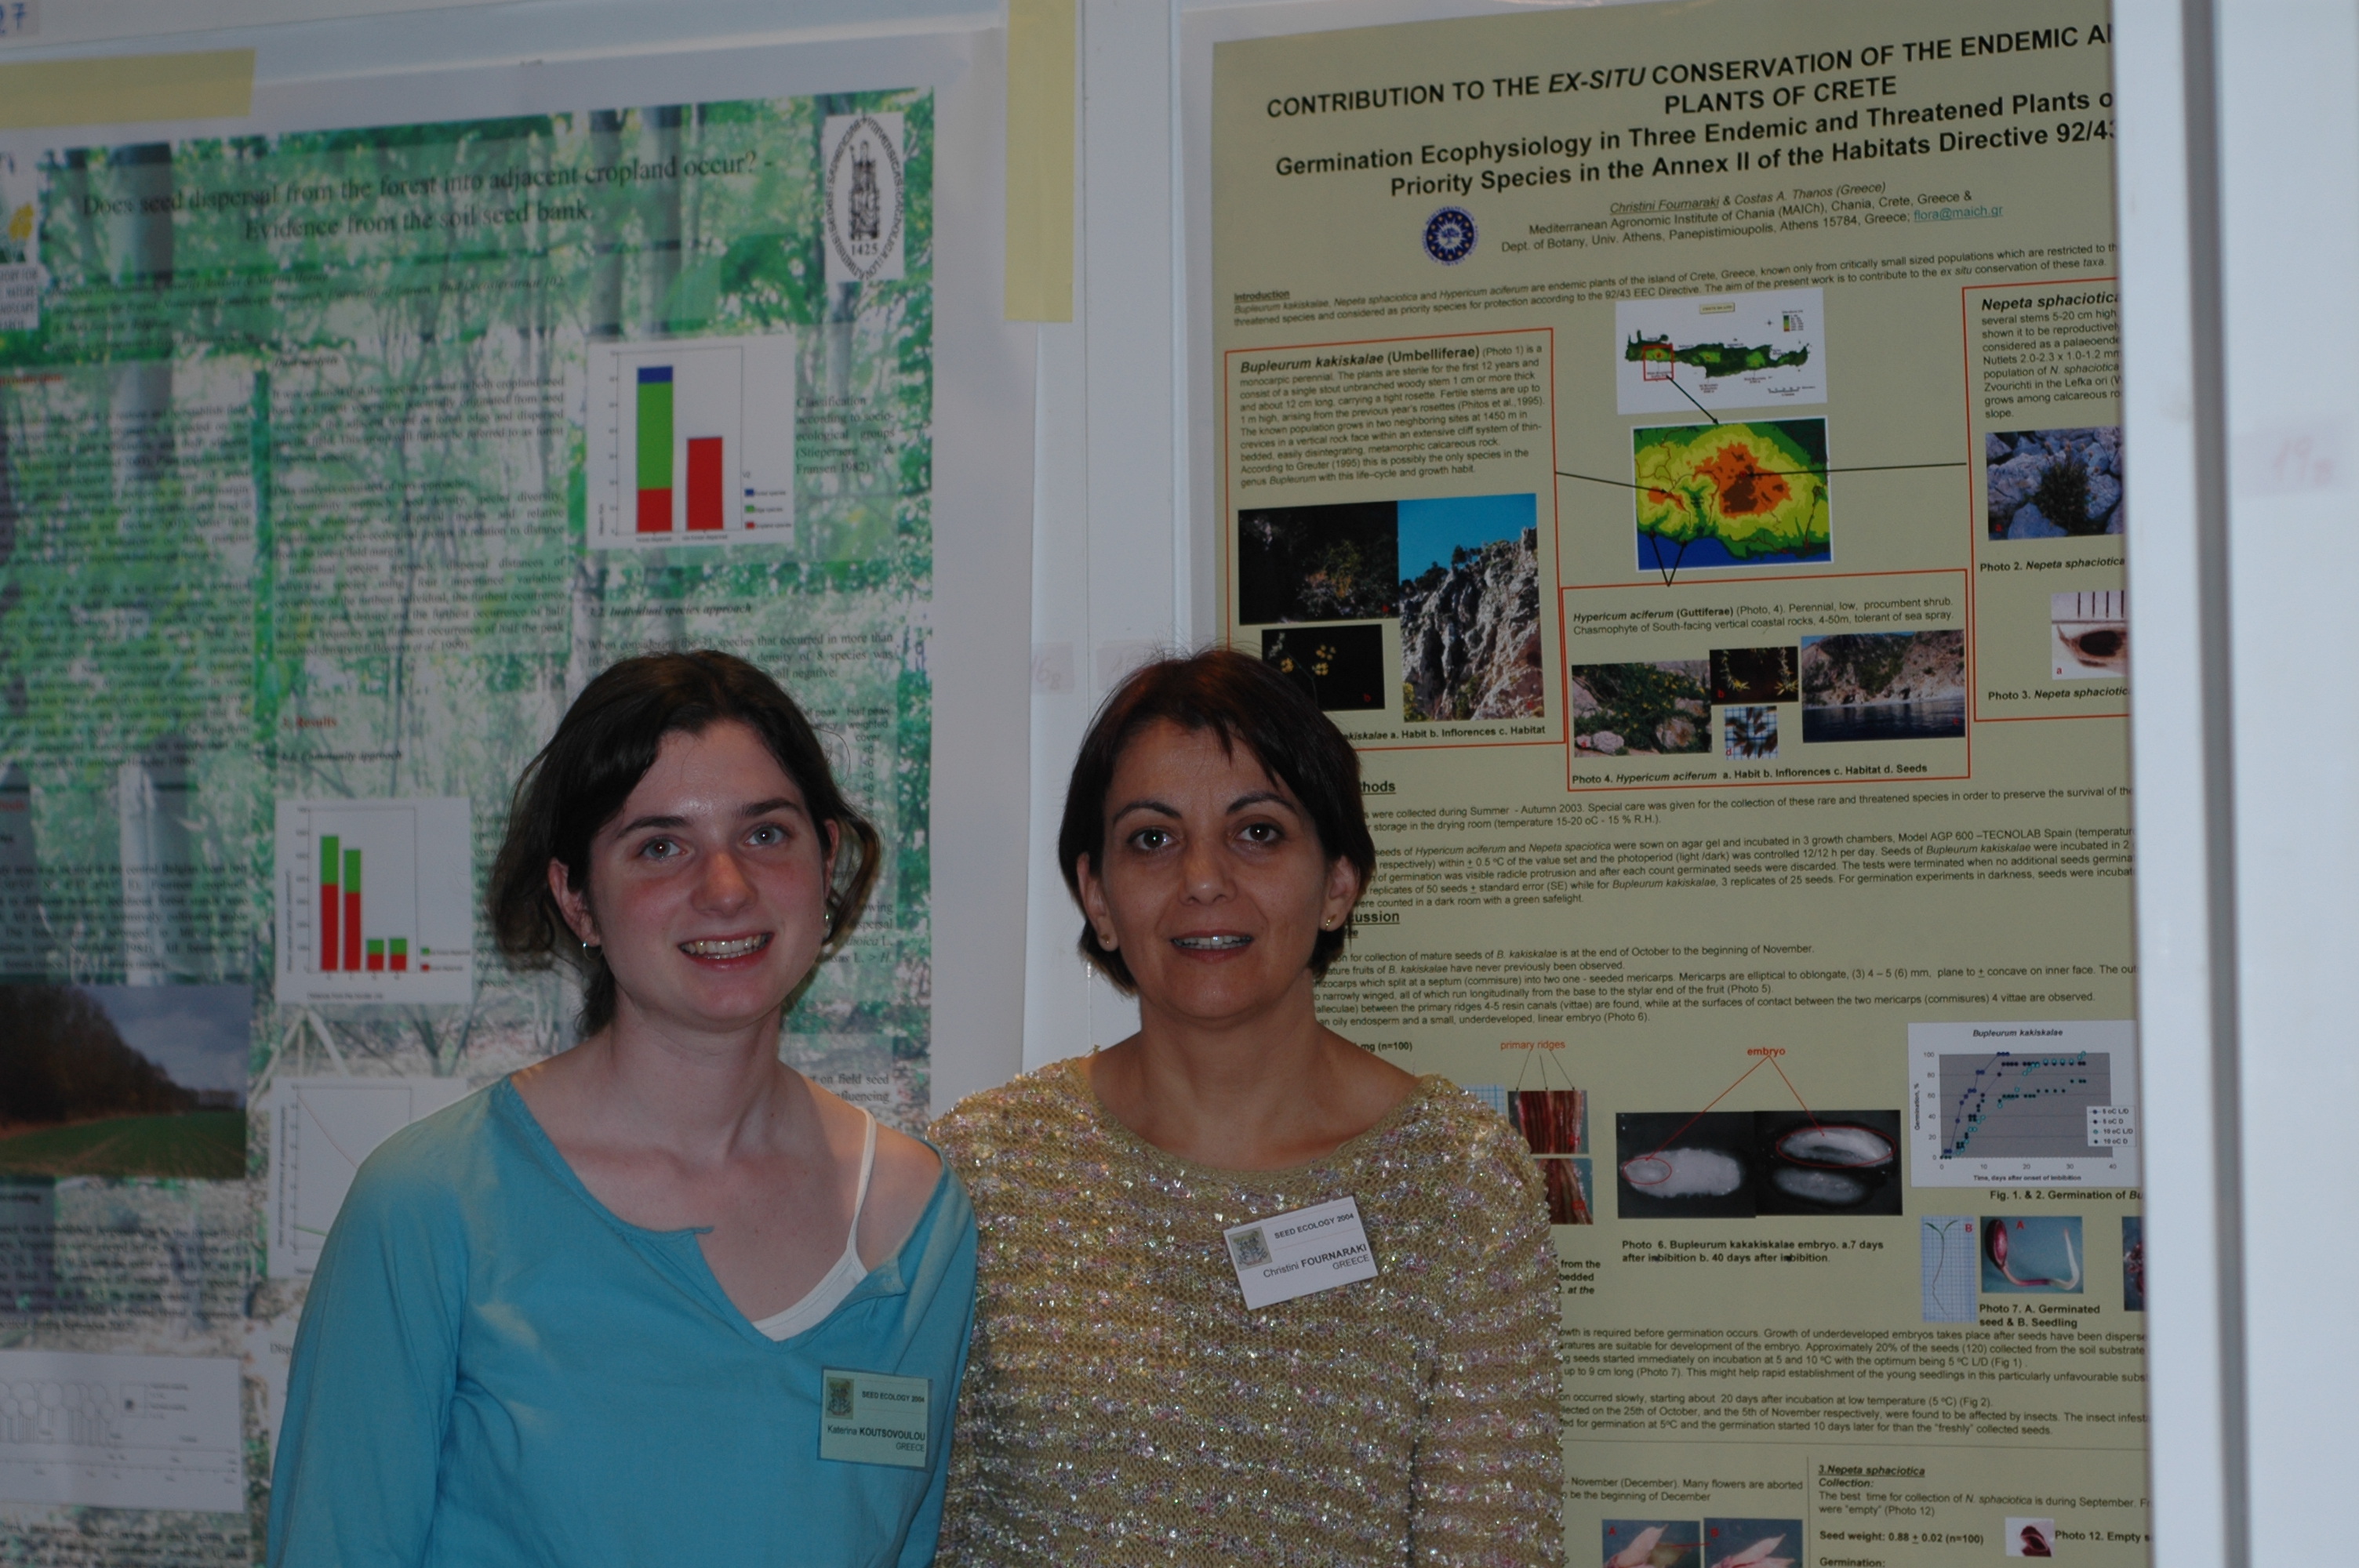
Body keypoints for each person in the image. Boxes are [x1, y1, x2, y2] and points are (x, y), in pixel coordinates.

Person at [268, 651, 975, 1567]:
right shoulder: (431, 1204)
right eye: (660, 846)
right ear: (577, 899)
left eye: (765, 833)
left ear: (827, 858)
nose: (726, 886)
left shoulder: (916, 1222)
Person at [932, 648, 1561, 1567]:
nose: (1202, 877)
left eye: (1256, 831)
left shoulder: (1458, 1181)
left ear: (1338, 881)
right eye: (1152, 839)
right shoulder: (983, 1171)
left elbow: (1488, 1544)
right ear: (1096, 896)